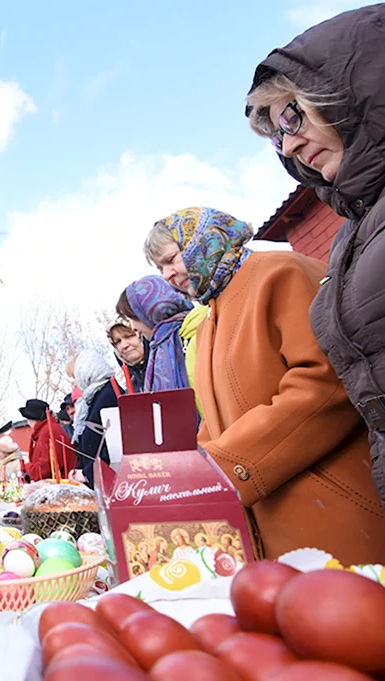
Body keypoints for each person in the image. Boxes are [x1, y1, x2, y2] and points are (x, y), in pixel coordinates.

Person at [145, 206, 385, 564]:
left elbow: (325, 382)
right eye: (160, 268)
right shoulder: (211, 320)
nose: (168, 275)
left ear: (203, 240)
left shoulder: (279, 271)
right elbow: (214, 416)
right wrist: (195, 474)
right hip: (272, 515)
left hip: (332, 504)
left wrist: (229, 465)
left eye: (171, 259)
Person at [245, 4, 385, 513]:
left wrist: (227, 465)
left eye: (292, 115)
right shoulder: (353, 232)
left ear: (356, 92)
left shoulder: (275, 272)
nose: (290, 143)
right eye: (277, 134)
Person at [116, 275, 206, 405]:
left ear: (150, 312)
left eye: (134, 318)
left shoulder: (196, 335)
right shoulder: (160, 347)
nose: (134, 328)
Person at [71, 350, 123, 488]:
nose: (75, 384)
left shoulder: (109, 396)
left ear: (86, 371)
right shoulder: (95, 397)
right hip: (101, 483)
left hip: (113, 485)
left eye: (74, 377)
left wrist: (87, 474)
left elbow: (114, 445)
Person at [19, 399, 77, 482]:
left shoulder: (48, 432)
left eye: (28, 419)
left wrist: (26, 468)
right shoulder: (46, 430)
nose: (28, 423)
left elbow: (47, 467)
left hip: (61, 485)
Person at [107, 323, 148, 393]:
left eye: (128, 336)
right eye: (118, 341)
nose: (124, 345)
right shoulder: (129, 388)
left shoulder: (165, 369)